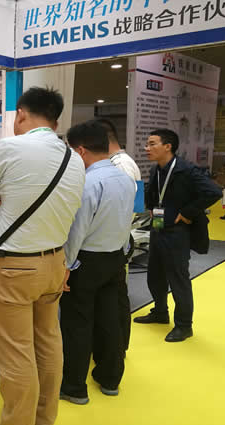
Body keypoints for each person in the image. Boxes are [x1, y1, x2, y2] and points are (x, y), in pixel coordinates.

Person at [0, 87, 85, 425]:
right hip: (55, 264)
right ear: (55, 120)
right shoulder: (74, 158)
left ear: (21, 114)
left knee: (16, 355)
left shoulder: (9, 147)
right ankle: (44, 419)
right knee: (48, 344)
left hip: (13, 269)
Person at [59, 121, 136, 405]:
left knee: (77, 323)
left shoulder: (88, 183)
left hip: (86, 261)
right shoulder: (125, 178)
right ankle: (110, 379)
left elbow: (77, 230)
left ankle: (74, 387)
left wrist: (66, 266)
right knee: (109, 321)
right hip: (115, 258)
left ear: (80, 151)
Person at [134, 129, 222, 342]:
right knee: (155, 275)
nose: (147, 148)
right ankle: (160, 312)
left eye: (152, 144)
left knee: (178, 278)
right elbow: (154, 195)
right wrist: (152, 211)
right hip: (158, 227)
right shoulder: (156, 169)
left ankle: (184, 325)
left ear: (168, 146)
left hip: (177, 232)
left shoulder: (187, 170)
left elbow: (214, 192)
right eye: (147, 144)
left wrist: (187, 213)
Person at [96, 118, 141, 356]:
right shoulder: (119, 163)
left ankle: (117, 347)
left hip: (115, 240)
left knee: (116, 299)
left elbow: (121, 207)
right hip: (115, 238)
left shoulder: (121, 165)